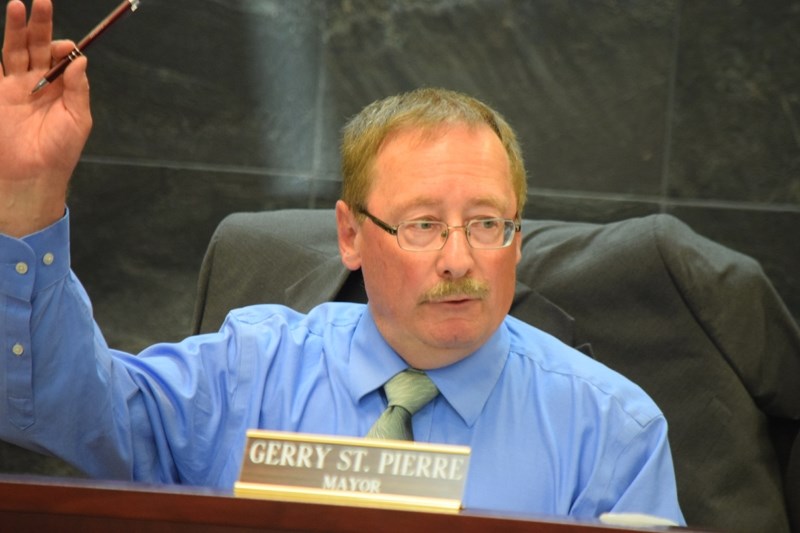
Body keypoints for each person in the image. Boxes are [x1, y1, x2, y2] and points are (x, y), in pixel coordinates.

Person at [0, 0, 684, 524]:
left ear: (519, 238)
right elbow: (65, 407)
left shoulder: (612, 431)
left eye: (485, 224)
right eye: (422, 225)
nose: (458, 258)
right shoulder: (251, 374)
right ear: (351, 235)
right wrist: (27, 205)